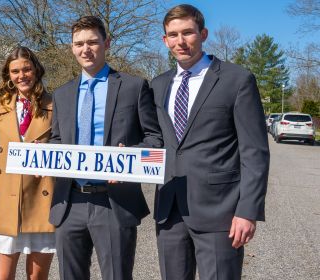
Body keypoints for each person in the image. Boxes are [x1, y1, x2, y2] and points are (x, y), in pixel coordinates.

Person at [151, 4, 269, 280]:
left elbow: (254, 152)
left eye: (188, 33)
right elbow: (152, 141)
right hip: (169, 209)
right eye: (173, 35)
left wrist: (247, 210)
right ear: (164, 40)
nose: (180, 41)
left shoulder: (237, 80)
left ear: (203, 34)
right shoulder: (156, 86)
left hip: (221, 213)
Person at [49, 16, 163, 280]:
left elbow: (155, 139)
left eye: (92, 42)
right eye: (78, 44)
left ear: (107, 43)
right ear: (71, 47)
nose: (85, 49)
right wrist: (40, 155)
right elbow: (57, 140)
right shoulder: (62, 93)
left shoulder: (134, 87)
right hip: (69, 201)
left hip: (114, 200)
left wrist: (131, 159)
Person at [0, 46, 55, 280]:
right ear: (9, 76)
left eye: (26, 69)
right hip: (7, 201)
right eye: (15, 71)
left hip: (40, 200)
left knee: (37, 277)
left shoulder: (56, 105)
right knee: (2, 277)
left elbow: (66, 143)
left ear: (36, 70)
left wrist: (49, 150)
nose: (21, 76)